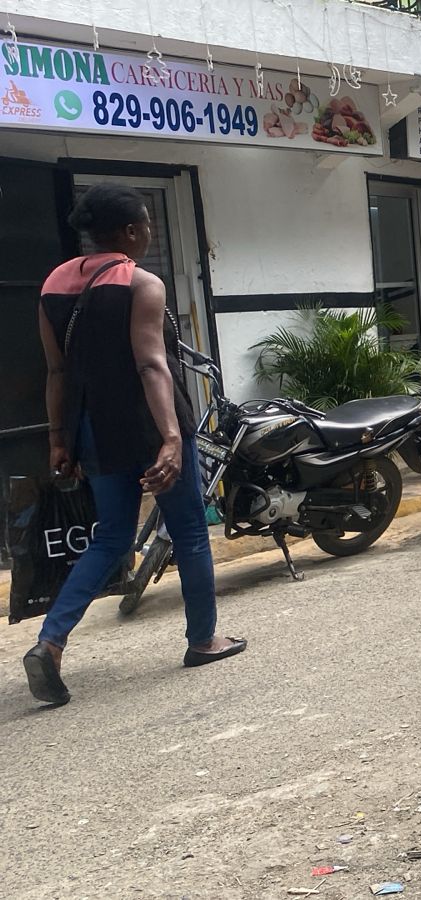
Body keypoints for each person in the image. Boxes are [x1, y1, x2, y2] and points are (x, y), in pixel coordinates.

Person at [26, 183, 247, 706]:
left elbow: (56, 371)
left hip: (93, 430)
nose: (149, 231)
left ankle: (50, 642)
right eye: (146, 223)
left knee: (110, 537)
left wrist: (59, 439)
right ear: (129, 231)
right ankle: (203, 639)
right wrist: (170, 437)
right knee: (189, 531)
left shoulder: (53, 284)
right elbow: (151, 364)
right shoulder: (141, 282)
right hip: (150, 424)